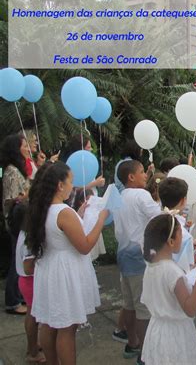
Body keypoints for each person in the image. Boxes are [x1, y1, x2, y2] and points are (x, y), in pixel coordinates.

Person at [26, 162, 108, 364]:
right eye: (70, 181)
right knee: (67, 327)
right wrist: (100, 219)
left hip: (49, 268)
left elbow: (59, 233)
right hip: (64, 273)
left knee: (50, 322)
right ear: (60, 185)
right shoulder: (63, 211)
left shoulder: (43, 208)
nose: (73, 185)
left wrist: (78, 215)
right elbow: (85, 245)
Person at [141, 214, 196, 365]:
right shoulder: (171, 271)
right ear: (171, 241)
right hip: (175, 334)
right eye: (181, 234)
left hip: (156, 329)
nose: (183, 238)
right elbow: (190, 309)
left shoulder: (151, 266)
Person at [114, 160, 161, 362]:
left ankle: (132, 342)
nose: (145, 175)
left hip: (123, 254)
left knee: (130, 303)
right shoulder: (141, 195)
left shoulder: (119, 196)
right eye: (142, 172)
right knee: (143, 307)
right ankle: (144, 351)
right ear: (131, 177)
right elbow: (159, 218)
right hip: (138, 255)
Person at [0, 134, 30, 315]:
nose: (27, 148)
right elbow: (10, 199)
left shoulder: (18, 167)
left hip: (22, 218)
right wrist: (25, 196)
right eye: (24, 145)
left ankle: (18, 296)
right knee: (16, 260)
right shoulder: (11, 171)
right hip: (16, 220)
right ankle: (12, 301)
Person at [13, 202, 46, 363]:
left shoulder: (24, 232)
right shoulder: (28, 238)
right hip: (30, 282)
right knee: (33, 317)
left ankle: (33, 345)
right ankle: (33, 352)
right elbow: (28, 268)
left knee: (32, 315)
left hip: (27, 282)